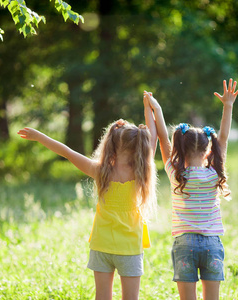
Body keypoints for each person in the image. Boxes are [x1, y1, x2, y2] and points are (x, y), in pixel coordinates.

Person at [17, 95, 158, 300]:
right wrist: (148, 108)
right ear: (140, 146)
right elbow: (152, 136)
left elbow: (67, 152)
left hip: (101, 245)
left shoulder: (100, 171)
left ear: (111, 145)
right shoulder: (141, 173)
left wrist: (40, 137)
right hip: (129, 248)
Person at [144, 79, 238, 300]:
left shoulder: (177, 174)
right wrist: (228, 106)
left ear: (180, 148)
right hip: (212, 244)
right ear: (209, 150)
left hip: (185, 243)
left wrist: (155, 107)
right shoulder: (214, 173)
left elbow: (162, 139)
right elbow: (224, 138)